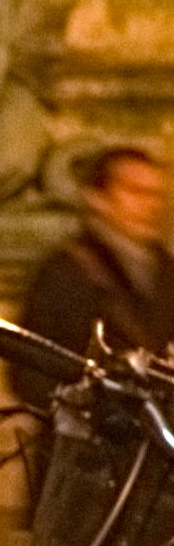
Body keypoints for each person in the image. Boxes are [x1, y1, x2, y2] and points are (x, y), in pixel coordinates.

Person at [17, 143, 172, 405]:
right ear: (96, 198)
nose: (150, 205)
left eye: (156, 195)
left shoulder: (165, 270)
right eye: (135, 191)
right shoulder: (66, 271)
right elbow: (28, 369)